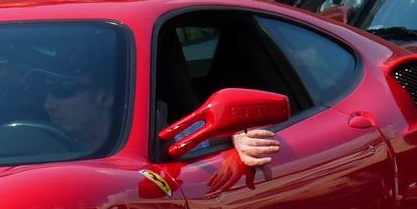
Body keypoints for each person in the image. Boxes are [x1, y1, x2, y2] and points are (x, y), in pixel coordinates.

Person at [41, 66, 281, 167]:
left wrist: (236, 138)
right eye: (45, 91)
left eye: (64, 91)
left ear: (105, 98)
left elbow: (208, 133)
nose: (48, 104)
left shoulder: (161, 141)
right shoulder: (35, 148)